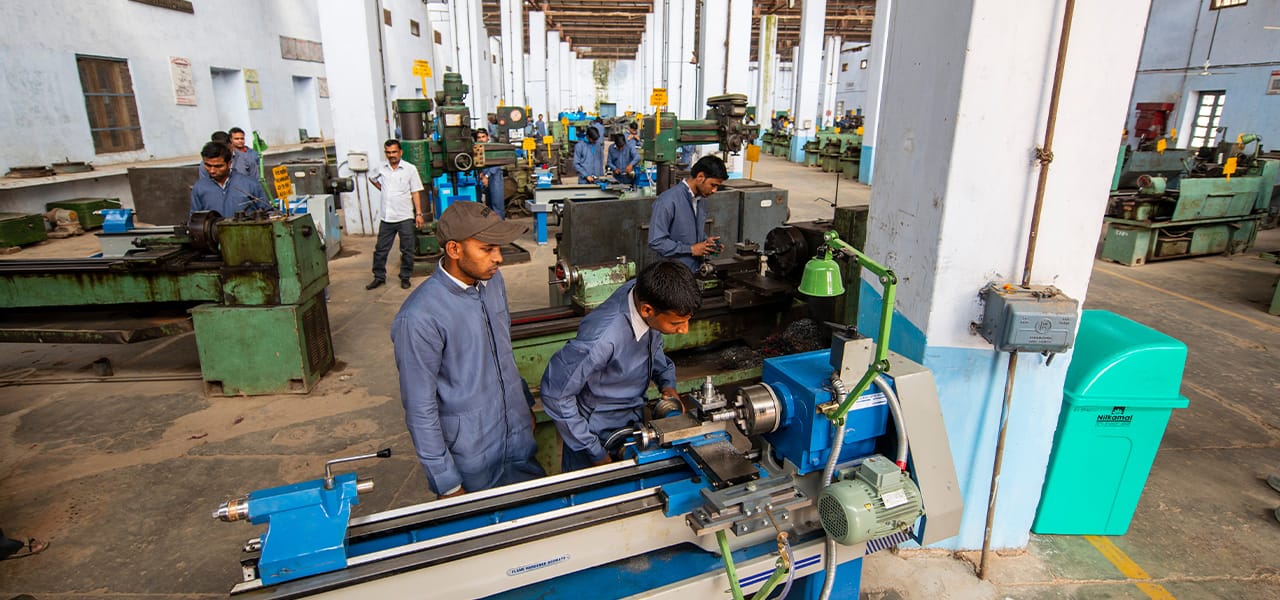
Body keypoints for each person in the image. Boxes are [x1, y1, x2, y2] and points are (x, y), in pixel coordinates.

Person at [392, 202, 545, 496]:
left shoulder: (492, 281)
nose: (498, 258)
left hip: (518, 439)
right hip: (472, 456)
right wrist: (447, 483)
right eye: (487, 249)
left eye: (498, 248)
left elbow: (503, 353)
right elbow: (420, 408)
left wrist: (523, 404)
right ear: (454, 249)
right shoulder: (419, 318)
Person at [540, 260, 701, 471]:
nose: (684, 330)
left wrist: (667, 384)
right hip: (595, 435)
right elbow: (556, 394)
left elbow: (652, 347)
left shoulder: (641, 292)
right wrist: (594, 451)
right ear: (647, 310)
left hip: (632, 422)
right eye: (676, 323)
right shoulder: (601, 340)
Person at [648, 155, 728, 271]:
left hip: (695, 271)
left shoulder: (701, 200)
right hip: (673, 274)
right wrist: (691, 249)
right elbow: (656, 241)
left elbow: (688, 233)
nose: (715, 190)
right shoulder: (667, 201)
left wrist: (706, 242)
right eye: (713, 185)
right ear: (700, 177)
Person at [367, 139, 425, 290]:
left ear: (401, 152)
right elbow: (372, 178)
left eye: (394, 152)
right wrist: (383, 189)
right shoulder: (381, 167)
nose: (391, 155)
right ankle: (379, 277)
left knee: (407, 249)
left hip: (404, 216)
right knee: (381, 249)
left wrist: (419, 213)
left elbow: (415, 191)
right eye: (388, 152)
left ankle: (405, 277)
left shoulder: (410, 169)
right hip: (387, 217)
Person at [190, 141, 270, 217]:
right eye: (208, 165)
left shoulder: (250, 185)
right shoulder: (199, 188)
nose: (212, 170)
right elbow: (195, 219)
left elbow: (268, 213)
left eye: (218, 166)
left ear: (229, 164)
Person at [472, 129, 506, 218]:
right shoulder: (477, 149)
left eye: (483, 137)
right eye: (479, 137)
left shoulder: (493, 148)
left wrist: (486, 176)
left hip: (495, 178)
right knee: (488, 205)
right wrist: (480, 173)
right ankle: (490, 224)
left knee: (497, 204)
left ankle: (500, 223)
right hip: (483, 179)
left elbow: (497, 164)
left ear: (488, 138)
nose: (481, 139)